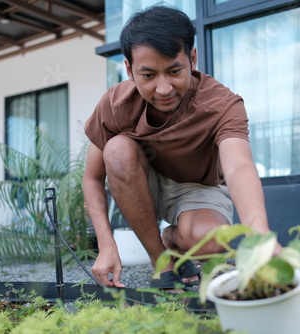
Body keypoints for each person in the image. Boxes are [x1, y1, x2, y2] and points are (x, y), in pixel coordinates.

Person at [82, 5, 272, 291]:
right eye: (148, 75)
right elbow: (92, 177)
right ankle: (161, 261)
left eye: (174, 71)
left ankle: (171, 241)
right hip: (145, 180)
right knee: (117, 149)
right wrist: (106, 245)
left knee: (213, 241)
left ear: (192, 59)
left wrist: (259, 239)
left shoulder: (222, 105)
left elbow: (238, 166)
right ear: (129, 69)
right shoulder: (115, 104)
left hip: (199, 186)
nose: (163, 88)